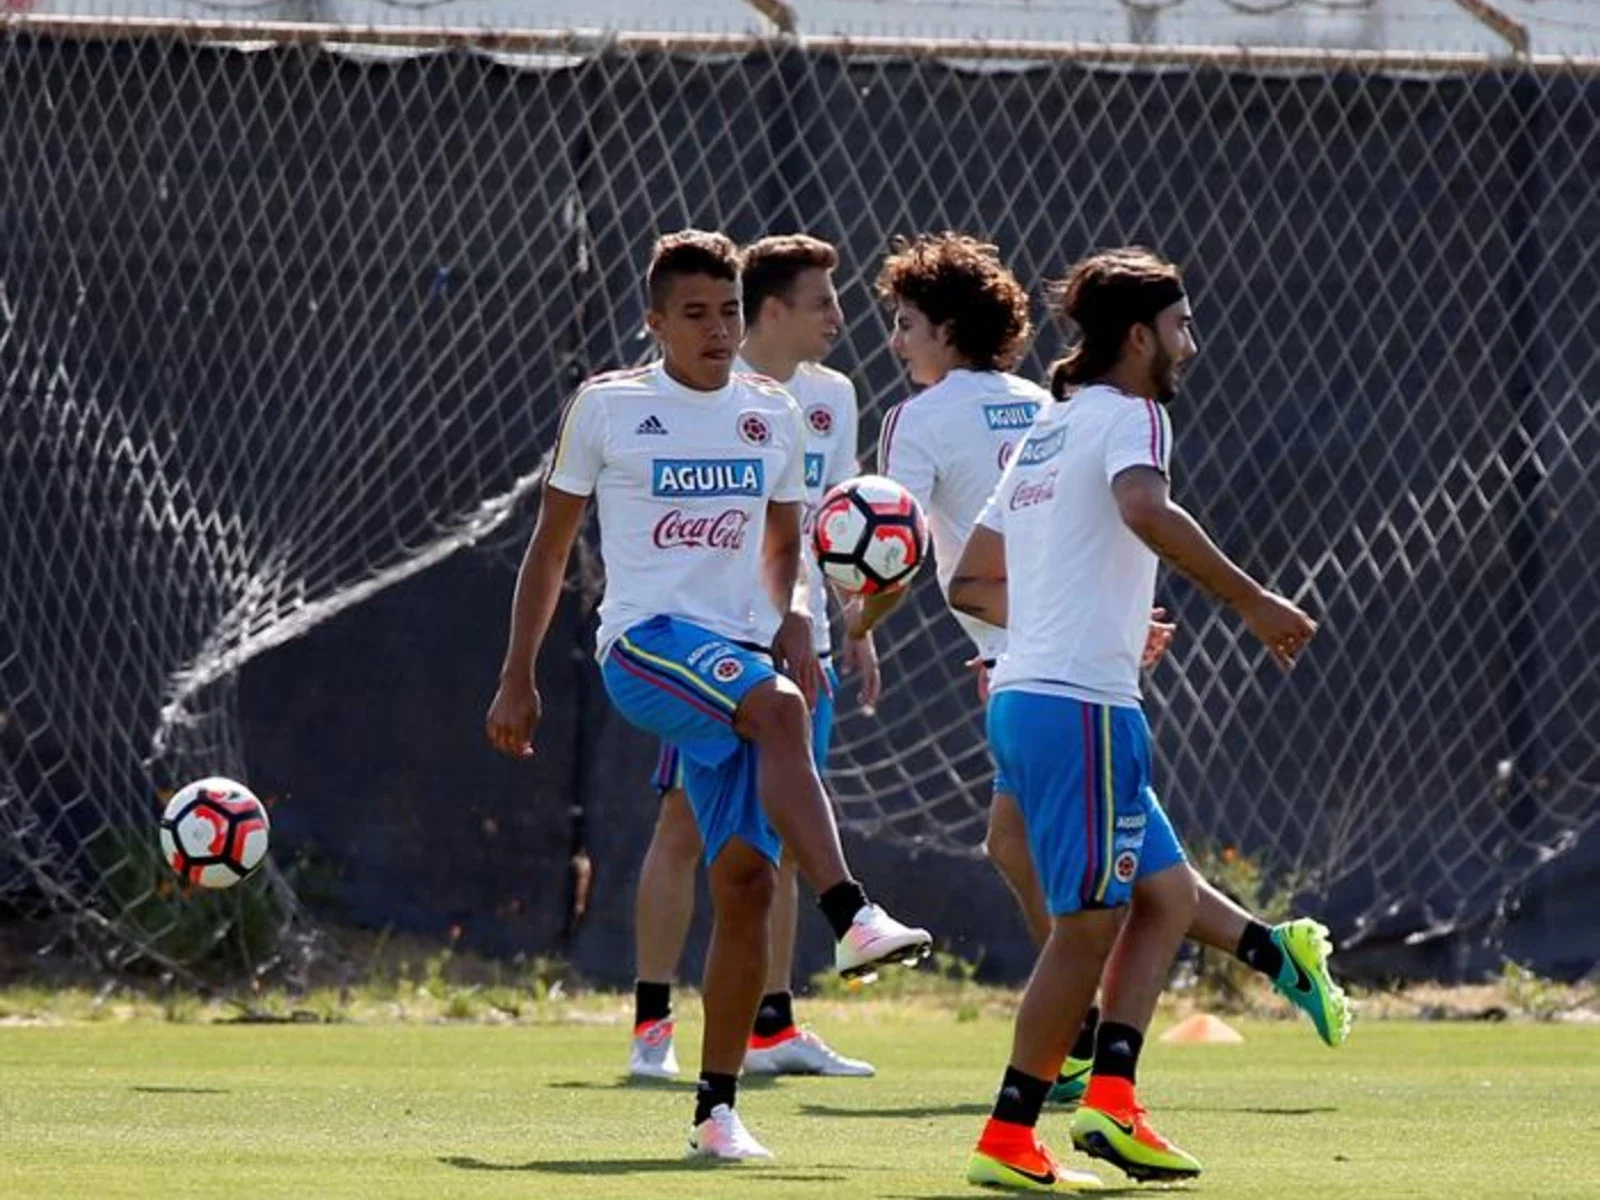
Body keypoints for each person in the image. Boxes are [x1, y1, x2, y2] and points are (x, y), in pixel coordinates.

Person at [486, 230, 930, 1161]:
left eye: (728, 311)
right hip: (646, 648)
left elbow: (783, 553)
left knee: (744, 879)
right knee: (780, 712)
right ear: (655, 322)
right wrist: (518, 673)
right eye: (695, 314)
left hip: (737, 660)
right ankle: (851, 915)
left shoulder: (774, 412)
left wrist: (801, 617)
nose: (717, 329)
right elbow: (552, 547)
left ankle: (716, 1113)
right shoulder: (607, 408)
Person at [949, 246, 1321, 1188]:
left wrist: (1083, 615)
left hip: (1028, 696)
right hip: (1080, 709)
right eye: (1182, 326)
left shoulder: (1049, 430)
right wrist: (1252, 600)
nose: (1191, 344)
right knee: (1088, 926)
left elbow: (972, 581)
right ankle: (1007, 1136)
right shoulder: (1133, 418)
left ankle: (1114, 1107)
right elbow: (1145, 510)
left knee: (1162, 897)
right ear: (1139, 334)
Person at [628, 234, 877, 1082]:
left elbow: (835, 529)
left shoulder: (832, 399)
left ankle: (773, 1025)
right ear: (771, 311)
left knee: (774, 831)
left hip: (797, 642)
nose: (840, 321)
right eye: (822, 303)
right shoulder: (689, 398)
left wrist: (854, 624)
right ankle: (651, 1026)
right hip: (708, 640)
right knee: (684, 824)